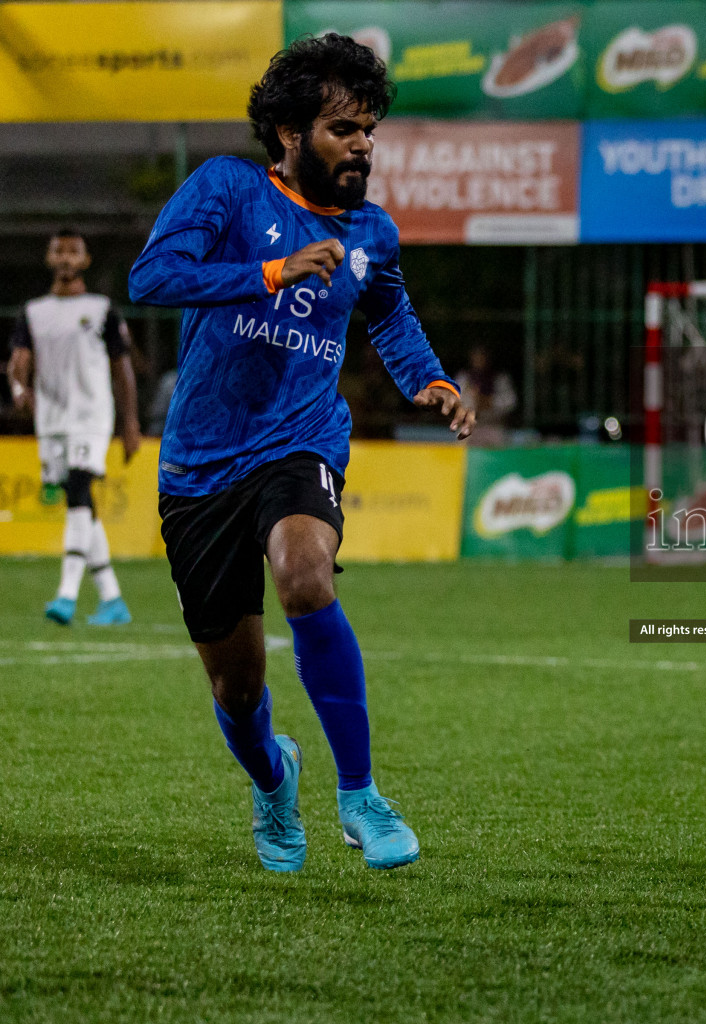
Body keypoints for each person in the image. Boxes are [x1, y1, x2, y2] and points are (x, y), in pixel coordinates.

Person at [127, 34, 474, 873]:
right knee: (237, 690)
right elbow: (152, 279)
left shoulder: (372, 233)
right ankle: (274, 775)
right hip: (201, 462)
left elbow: (388, 313)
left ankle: (360, 794)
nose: (361, 146)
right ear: (287, 131)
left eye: (369, 132)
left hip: (302, 437)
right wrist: (273, 271)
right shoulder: (228, 189)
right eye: (342, 129)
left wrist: (429, 380)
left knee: (305, 572)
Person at [6, 229, 140, 626]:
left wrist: (129, 422)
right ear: (49, 259)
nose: (65, 258)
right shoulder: (33, 312)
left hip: (91, 417)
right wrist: (18, 388)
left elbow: (123, 369)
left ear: (85, 261)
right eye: (58, 251)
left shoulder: (102, 309)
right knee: (79, 500)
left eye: (73, 252)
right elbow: (19, 361)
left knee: (80, 488)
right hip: (51, 422)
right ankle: (113, 599)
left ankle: (66, 595)